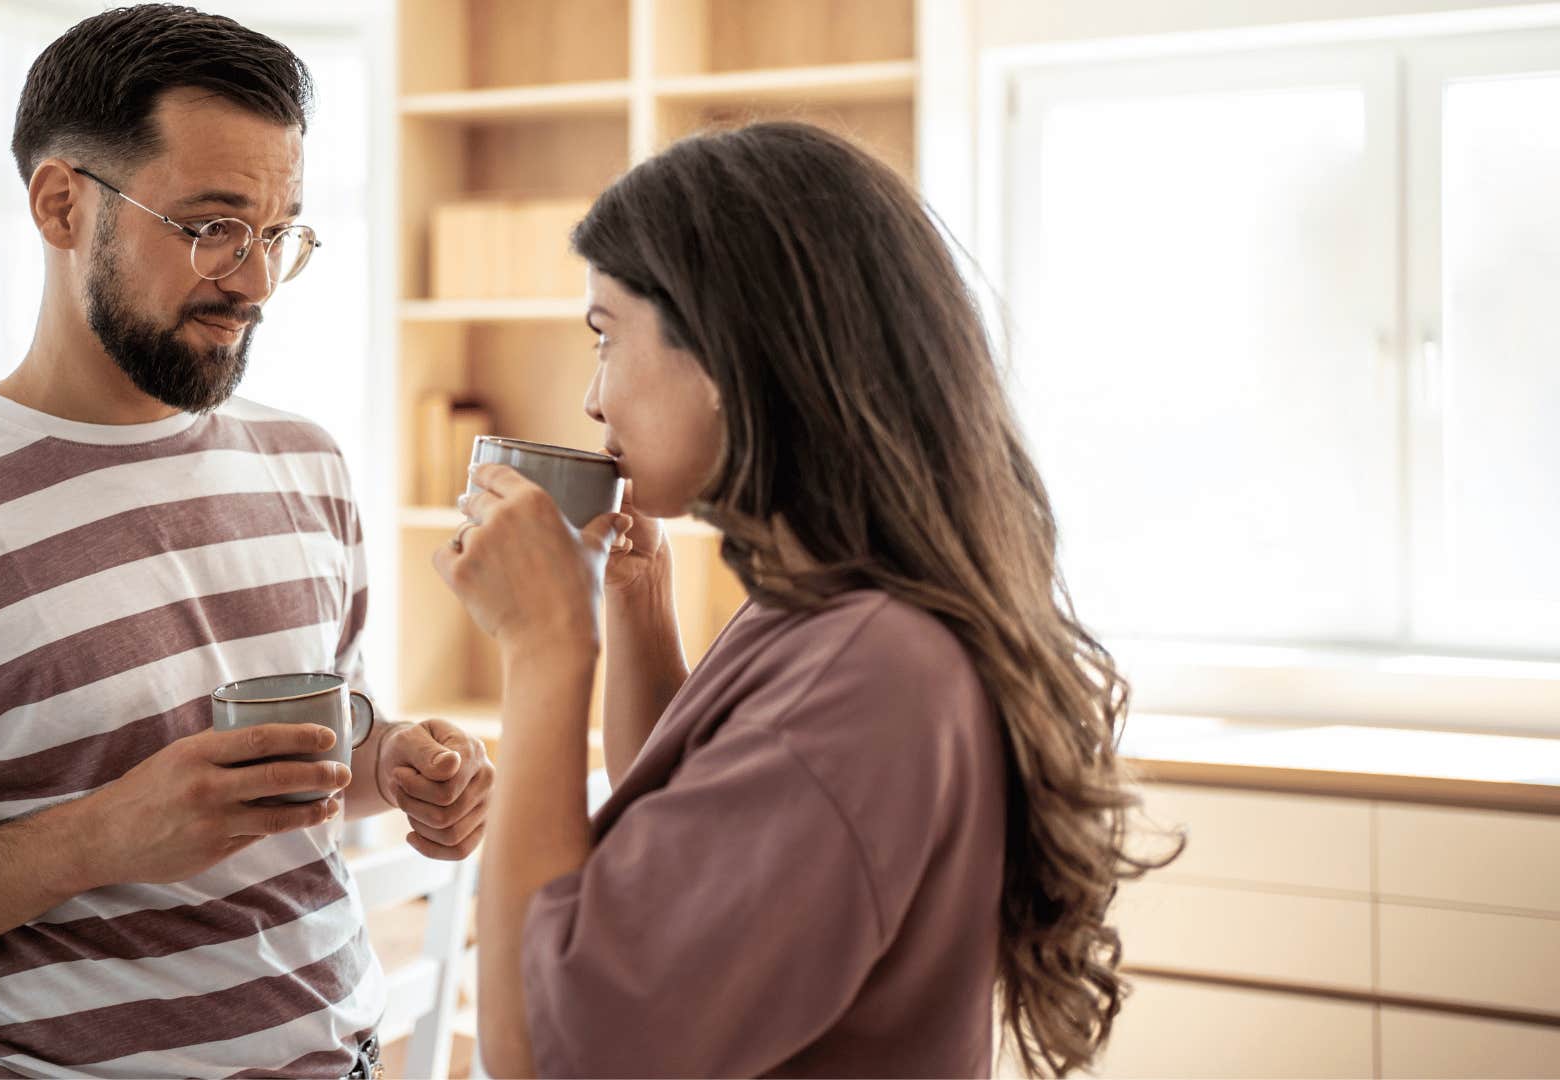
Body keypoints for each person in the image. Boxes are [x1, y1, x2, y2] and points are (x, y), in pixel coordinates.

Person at [0, 6, 493, 1077]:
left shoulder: (307, 464)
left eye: (279, 234)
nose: (257, 281)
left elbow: (313, 765)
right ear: (60, 204)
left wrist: (397, 761)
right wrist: (104, 836)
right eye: (213, 227)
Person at [434, 121, 1176, 1078]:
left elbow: (542, 1054)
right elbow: (682, 807)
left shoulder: (866, 675)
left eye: (605, 338)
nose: (592, 399)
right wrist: (635, 596)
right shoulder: (837, 603)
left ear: (732, 351)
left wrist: (544, 648)